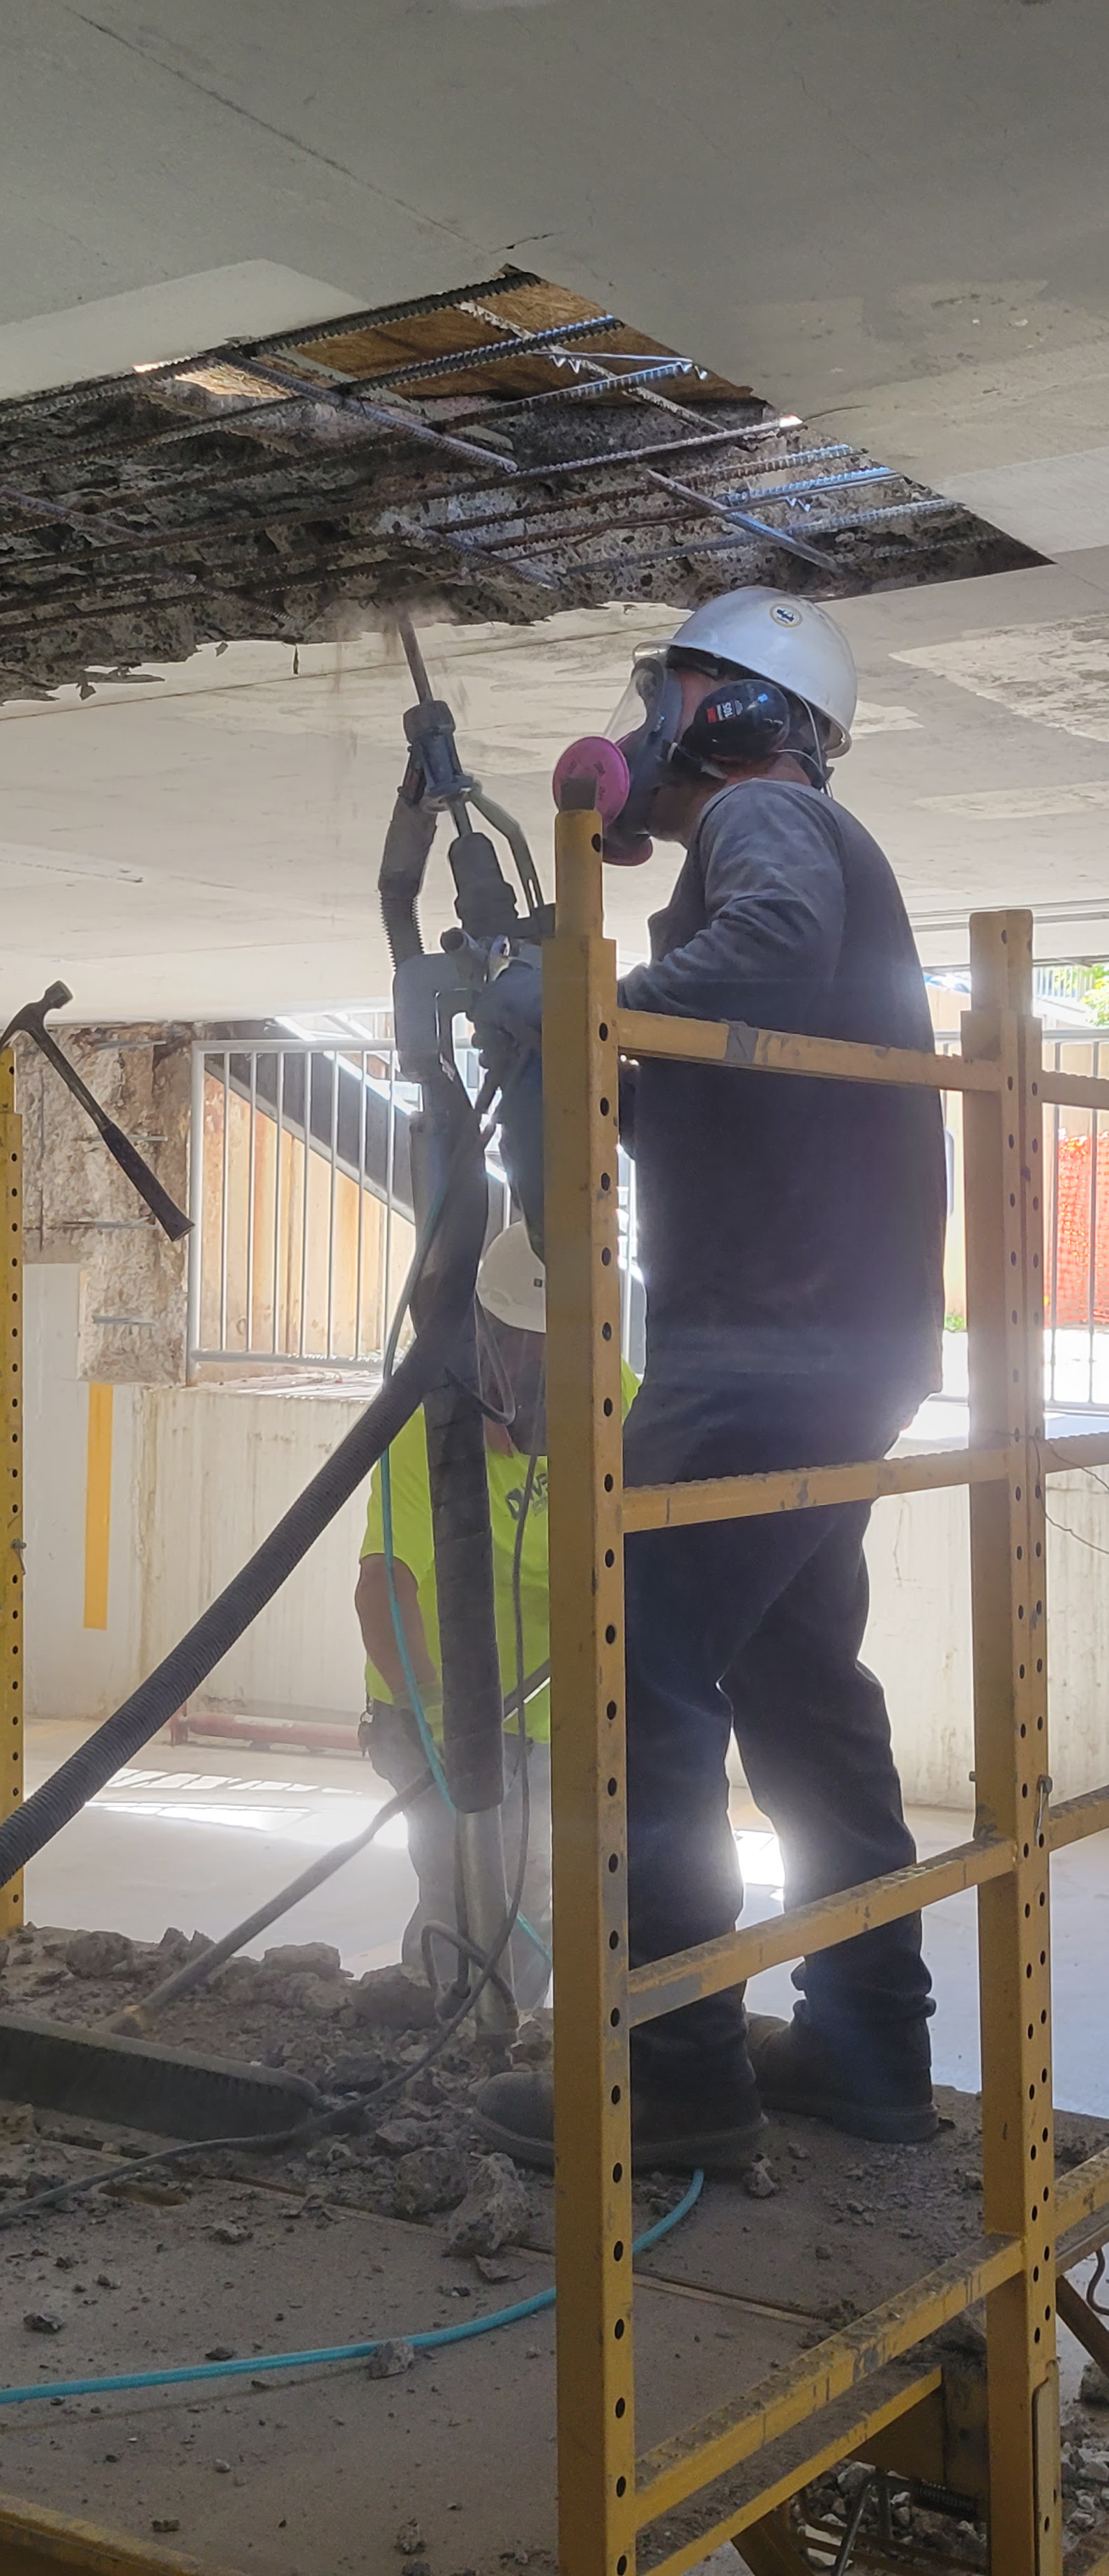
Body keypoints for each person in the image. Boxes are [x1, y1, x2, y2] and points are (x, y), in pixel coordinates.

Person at [475, 588, 948, 2173]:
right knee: (800, 1693)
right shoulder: (779, 842)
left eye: (662, 693)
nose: (641, 723)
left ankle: (673, 2070)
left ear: (726, 708)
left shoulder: (771, 822)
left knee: (634, 1685)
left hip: (762, 1348)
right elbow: (716, 1061)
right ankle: (870, 2050)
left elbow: (765, 957)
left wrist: (575, 1009)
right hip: (837, 1344)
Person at [357, 1220, 625, 2011]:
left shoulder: (622, 1401)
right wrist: (434, 1712)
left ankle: (504, 2044)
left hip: (555, 1699)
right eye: (518, 1353)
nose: (534, 1379)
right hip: (431, 1696)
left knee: (529, 1886)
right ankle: (443, 2035)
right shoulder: (423, 1427)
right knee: (457, 1882)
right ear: (482, 1339)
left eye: (556, 1360)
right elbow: (385, 1589)